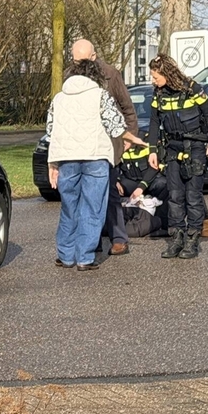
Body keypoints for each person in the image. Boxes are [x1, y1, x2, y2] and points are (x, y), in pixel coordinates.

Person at [47, 59, 145, 271]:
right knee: (93, 208)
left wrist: (52, 164)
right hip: (96, 157)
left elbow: (51, 132)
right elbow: (115, 126)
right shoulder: (101, 95)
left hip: (66, 158)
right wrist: (133, 138)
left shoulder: (59, 99)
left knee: (69, 207)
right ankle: (84, 257)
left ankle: (65, 255)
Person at [147, 54, 208, 259]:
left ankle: (193, 241)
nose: (153, 80)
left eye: (155, 76)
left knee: (192, 197)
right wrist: (152, 150)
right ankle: (177, 239)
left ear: (166, 73)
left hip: (195, 146)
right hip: (171, 149)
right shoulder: (158, 94)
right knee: (175, 196)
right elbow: (154, 123)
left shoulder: (192, 88)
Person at [70, 39, 137, 256]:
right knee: (84, 194)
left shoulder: (111, 74)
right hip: (80, 144)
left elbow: (128, 109)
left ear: (93, 56)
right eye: (74, 59)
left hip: (107, 143)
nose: (78, 64)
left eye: (82, 60)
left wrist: (129, 137)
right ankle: (92, 240)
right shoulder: (69, 77)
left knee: (109, 192)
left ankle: (119, 238)